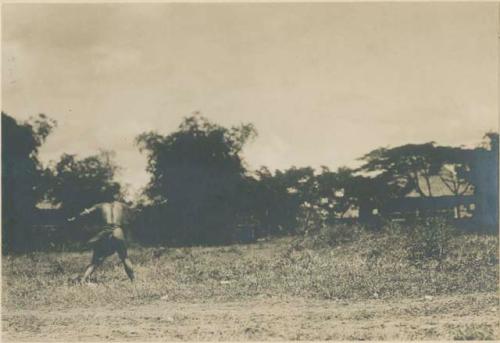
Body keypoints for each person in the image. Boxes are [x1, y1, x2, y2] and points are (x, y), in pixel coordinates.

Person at [68, 199, 135, 283]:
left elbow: (85, 213)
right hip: (118, 231)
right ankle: (134, 281)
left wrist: (73, 218)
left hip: (105, 232)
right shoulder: (121, 205)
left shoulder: (100, 205)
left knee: (95, 261)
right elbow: (134, 213)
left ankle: (83, 279)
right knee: (125, 258)